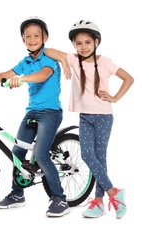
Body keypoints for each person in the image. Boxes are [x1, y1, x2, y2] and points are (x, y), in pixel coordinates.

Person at [0, 16, 71, 217]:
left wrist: (22, 79)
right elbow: (4, 74)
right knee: (17, 153)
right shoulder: (25, 62)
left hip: (50, 113)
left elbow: (42, 75)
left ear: (45, 38)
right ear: (23, 40)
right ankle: (17, 194)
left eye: (36, 36)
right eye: (28, 36)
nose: (32, 39)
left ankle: (59, 198)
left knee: (40, 155)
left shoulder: (49, 59)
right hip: (31, 112)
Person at [44, 20, 134, 219]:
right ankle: (114, 194)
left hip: (103, 117)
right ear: (74, 45)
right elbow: (49, 50)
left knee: (99, 159)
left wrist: (115, 97)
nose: (83, 47)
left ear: (96, 42)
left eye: (87, 42)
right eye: (78, 43)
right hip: (85, 117)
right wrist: (65, 61)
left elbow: (129, 78)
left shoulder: (105, 62)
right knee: (88, 156)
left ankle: (100, 202)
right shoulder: (74, 59)